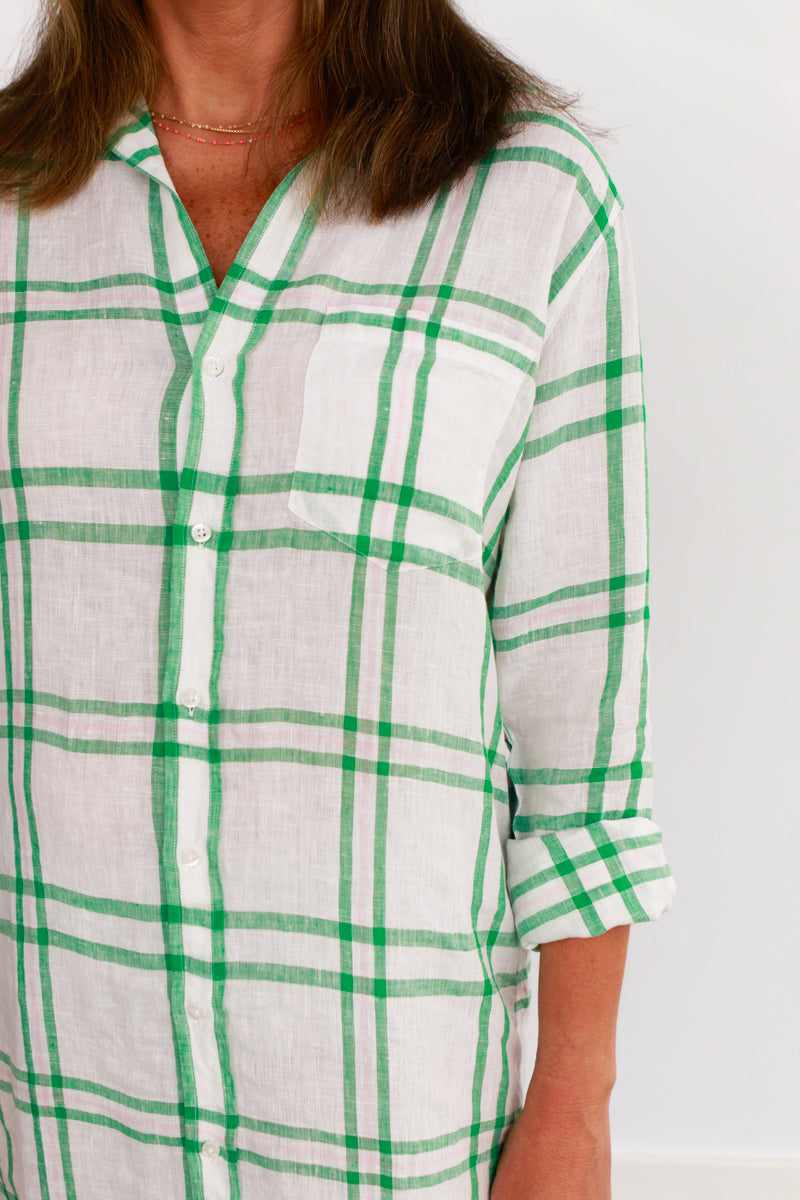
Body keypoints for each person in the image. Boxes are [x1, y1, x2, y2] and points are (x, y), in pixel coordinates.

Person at [0, 2, 677, 1198]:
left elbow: (579, 709)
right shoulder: (15, 196)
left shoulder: (528, 197)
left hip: (387, 1115)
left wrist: (572, 1103)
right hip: (63, 1105)